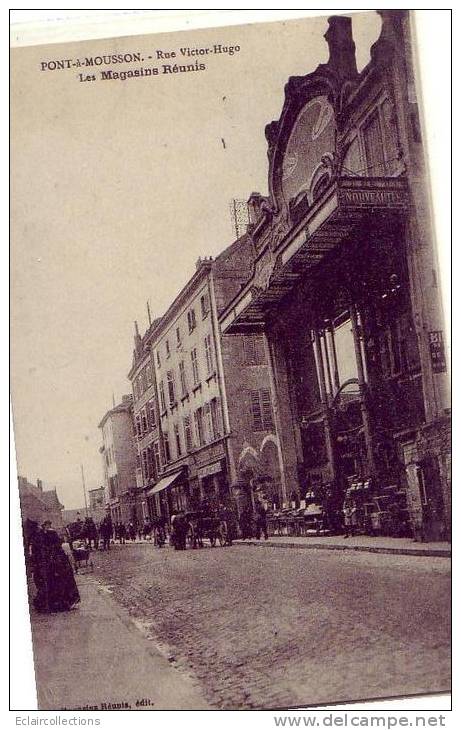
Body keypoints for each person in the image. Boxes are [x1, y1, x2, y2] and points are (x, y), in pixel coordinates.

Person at [30, 521, 80, 613]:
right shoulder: (47, 536)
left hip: (53, 564)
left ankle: (58, 603)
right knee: (58, 584)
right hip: (53, 565)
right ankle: (60, 603)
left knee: (55, 584)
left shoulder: (45, 536)